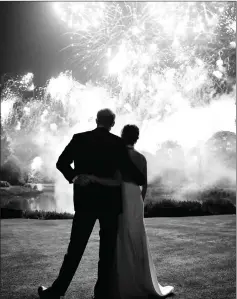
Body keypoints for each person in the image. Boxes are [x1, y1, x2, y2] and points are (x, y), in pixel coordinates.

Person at [38, 110, 146, 299]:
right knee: (106, 252)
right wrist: (138, 177)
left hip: (85, 202)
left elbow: (61, 162)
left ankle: (56, 291)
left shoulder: (79, 138)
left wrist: (74, 177)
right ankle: (101, 294)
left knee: (75, 249)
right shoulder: (117, 143)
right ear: (112, 124)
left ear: (96, 121)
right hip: (110, 204)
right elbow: (132, 172)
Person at [82, 125, 174, 298]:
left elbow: (114, 181)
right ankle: (141, 279)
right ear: (136, 138)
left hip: (120, 196)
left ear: (122, 137)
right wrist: (140, 203)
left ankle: (119, 282)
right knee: (137, 236)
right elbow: (144, 185)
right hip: (135, 198)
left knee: (119, 237)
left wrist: (95, 180)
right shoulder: (142, 158)